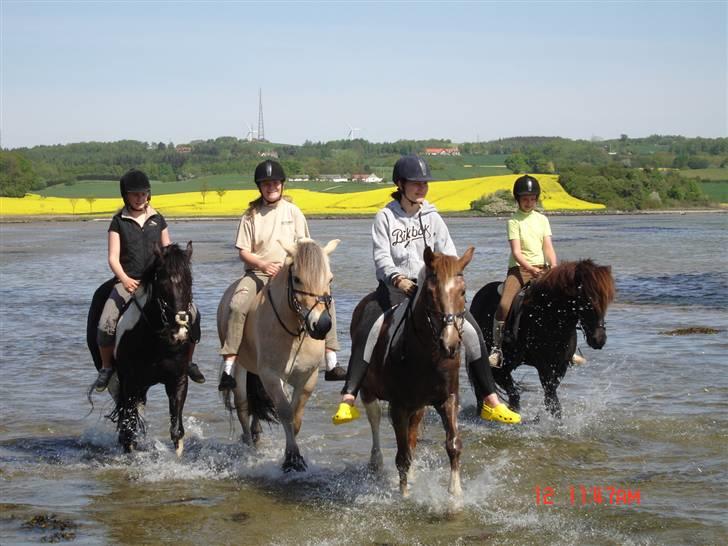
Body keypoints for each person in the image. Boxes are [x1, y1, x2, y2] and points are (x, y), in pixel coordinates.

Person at [331, 155, 521, 425]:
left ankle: (491, 400)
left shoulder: (433, 217)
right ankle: (349, 397)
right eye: (416, 183)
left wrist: (447, 280)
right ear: (400, 184)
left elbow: (451, 255)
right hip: (396, 287)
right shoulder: (385, 217)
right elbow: (382, 256)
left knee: (472, 329)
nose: (422, 188)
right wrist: (397, 278)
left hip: (431, 289)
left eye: (425, 183)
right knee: (368, 324)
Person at [218, 160, 345, 391]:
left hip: (291, 273)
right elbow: (243, 251)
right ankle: (229, 365)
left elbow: (305, 245)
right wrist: (263, 264)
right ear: (260, 187)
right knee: (237, 305)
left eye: (275, 183)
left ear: (282, 185)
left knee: (326, 299)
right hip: (259, 273)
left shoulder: (293, 212)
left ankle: (332, 360)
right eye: (266, 184)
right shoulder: (250, 216)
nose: (271, 187)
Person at [94, 169, 205, 392]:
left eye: (143, 194)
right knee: (106, 320)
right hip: (130, 281)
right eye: (135, 194)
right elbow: (112, 258)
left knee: (192, 314)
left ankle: (189, 362)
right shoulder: (118, 222)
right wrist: (124, 279)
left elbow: (168, 251)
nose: (140, 198)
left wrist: (172, 271)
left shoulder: (158, 219)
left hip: (156, 282)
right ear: (126, 196)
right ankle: (106, 368)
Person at [487, 174, 587, 367]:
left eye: (532, 199)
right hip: (519, 270)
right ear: (518, 199)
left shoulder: (542, 220)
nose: (529, 202)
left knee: (565, 300)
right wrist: (530, 269)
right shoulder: (513, 221)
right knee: (504, 305)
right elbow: (516, 252)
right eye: (525, 199)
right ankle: (497, 349)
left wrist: (555, 269)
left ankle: (571, 349)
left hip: (544, 269)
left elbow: (548, 247)